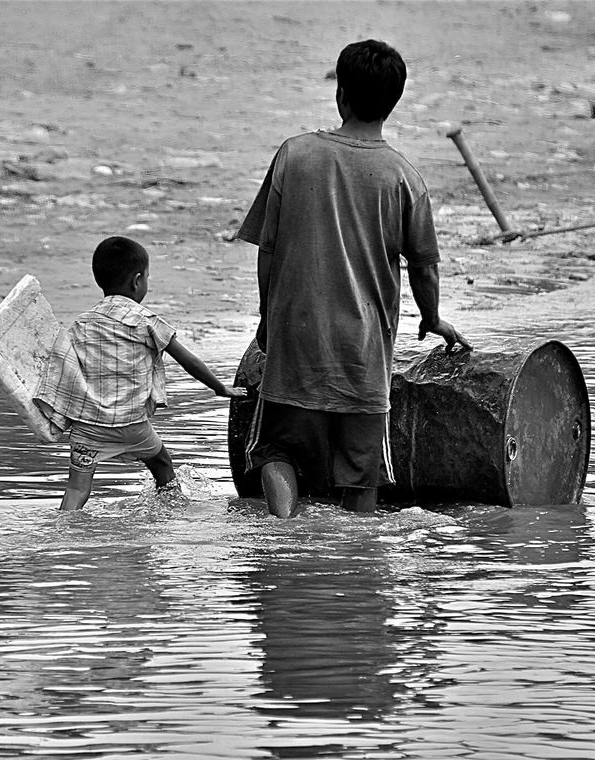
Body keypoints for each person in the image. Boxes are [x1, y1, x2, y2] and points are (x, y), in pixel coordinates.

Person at [236, 39, 471, 518]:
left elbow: (269, 249)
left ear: (339, 93)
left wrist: (267, 317)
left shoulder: (294, 155)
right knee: (361, 475)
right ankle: (354, 567)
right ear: (394, 102)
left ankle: (283, 537)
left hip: (296, 341)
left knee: (277, 452)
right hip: (363, 355)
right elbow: (424, 266)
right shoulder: (405, 178)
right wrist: (434, 319)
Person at [34, 235, 246, 510]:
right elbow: (188, 361)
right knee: (161, 464)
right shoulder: (146, 321)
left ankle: (59, 537)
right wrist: (220, 388)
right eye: (147, 277)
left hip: (88, 429)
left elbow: (61, 367)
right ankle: (173, 516)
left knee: (76, 489)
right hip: (132, 424)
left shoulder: (80, 324)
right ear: (137, 281)